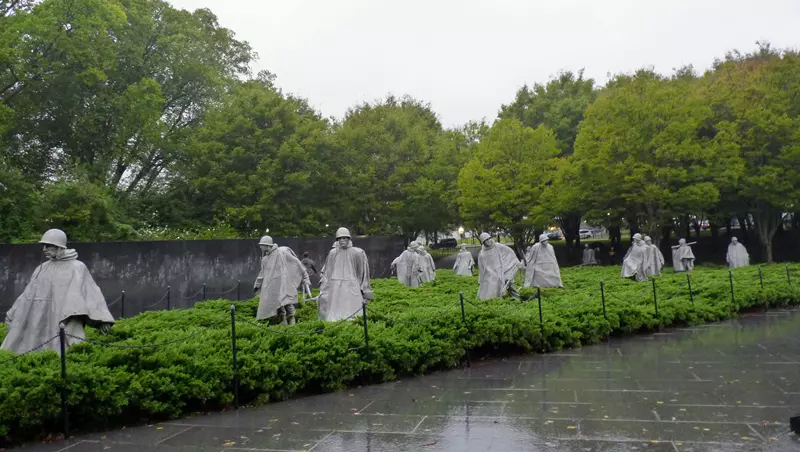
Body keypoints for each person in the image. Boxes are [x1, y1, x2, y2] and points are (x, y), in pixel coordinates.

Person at [2, 229, 115, 354]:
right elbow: (27, 295)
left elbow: (90, 293)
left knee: (62, 350)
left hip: (63, 318)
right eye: (43, 245)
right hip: (38, 318)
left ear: (59, 247)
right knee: (33, 349)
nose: (44, 249)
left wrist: (103, 320)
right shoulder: (42, 268)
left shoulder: (77, 267)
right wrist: (14, 312)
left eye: (48, 246)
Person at [253, 236, 311, 326]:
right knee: (279, 307)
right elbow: (262, 273)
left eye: (262, 245)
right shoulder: (265, 259)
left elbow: (296, 262)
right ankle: (283, 323)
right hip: (272, 286)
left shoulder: (281, 253)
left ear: (267, 245)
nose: (260, 247)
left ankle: (292, 323)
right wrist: (257, 285)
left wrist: (305, 276)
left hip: (284, 284)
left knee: (287, 303)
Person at [318, 228, 373, 321]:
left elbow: (363, 271)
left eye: (344, 238)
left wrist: (364, 289)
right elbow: (328, 270)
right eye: (340, 238)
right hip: (335, 284)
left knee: (354, 307)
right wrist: (325, 285)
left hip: (352, 283)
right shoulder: (333, 253)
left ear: (349, 239)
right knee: (335, 308)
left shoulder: (357, 252)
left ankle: (356, 321)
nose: (342, 240)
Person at [477, 232, 522, 300]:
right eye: (485, 240)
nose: (488, 241)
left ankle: (517, 299)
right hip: (489, 274)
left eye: (488, 239)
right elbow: (481, 267)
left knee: (509, 284)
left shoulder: (498, 246)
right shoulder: (482, 253)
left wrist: (514, 262)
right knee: (489, 289)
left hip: (501, 271)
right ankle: (491, 301)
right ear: (483, 242)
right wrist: (480, 279)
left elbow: (509, 252)